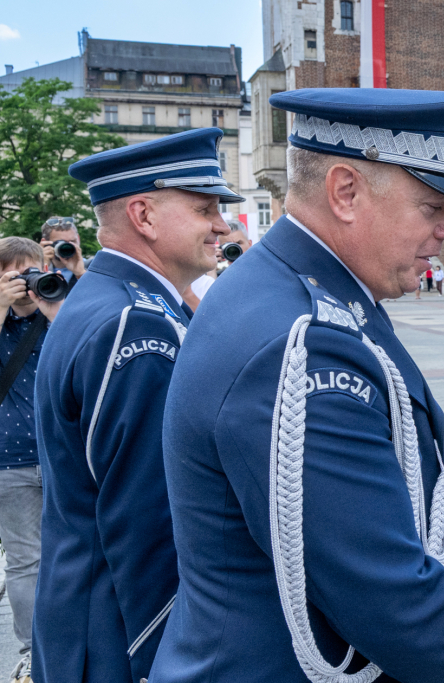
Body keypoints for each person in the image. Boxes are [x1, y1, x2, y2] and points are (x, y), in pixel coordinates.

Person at [148, 88, 444, 683]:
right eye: (432, 205)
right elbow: (376, 581)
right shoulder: (302, 337)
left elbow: (414, 467)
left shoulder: (306, 293)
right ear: (346, 192)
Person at [32, 128, 242, 683]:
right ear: (144, 216)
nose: (222, 225)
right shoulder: (137, 324)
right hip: (119, 635)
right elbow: (149, 521)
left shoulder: (113, 300)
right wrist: (168, 661)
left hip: (93, 619)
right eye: (204, 209)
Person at [0, 238, 65, 683]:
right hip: (11, 460)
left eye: (31, 272)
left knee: (75, 552)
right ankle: (31, 653)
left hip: (63, 454)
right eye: (14, 275)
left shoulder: (56, 310)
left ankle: (74, 640)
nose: (25, 283)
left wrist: (54, 304)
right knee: (25, 561)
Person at [40, 217, 88, 290]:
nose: (68, 246)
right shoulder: (34, 268)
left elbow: (100, 294)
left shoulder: (93, 267)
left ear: (78, 239)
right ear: (45, 243)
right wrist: (41, 269)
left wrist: (81, 273)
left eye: (73, 241)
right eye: (61, 243)